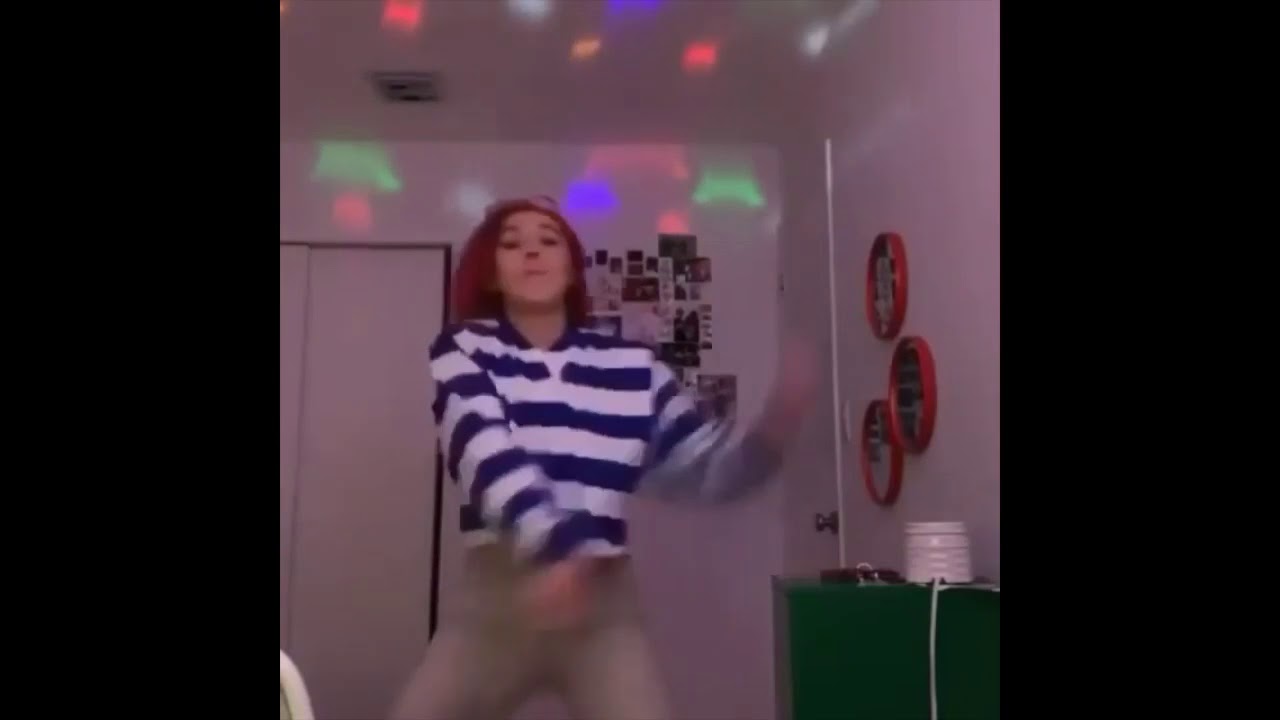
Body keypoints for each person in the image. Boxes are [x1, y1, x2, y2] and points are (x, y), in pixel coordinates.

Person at [389, 196, 817, 720]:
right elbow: (482, 448)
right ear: (493, 273)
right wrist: (557, 547)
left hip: (601, 605)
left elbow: (700, 468)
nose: (531, 252)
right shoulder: (464, 350)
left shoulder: (633, 367)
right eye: (512, 243)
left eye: (548, 241)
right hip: (497, 599)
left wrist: (770, 437)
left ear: (572, 268)